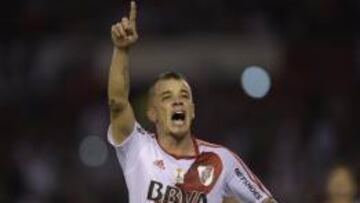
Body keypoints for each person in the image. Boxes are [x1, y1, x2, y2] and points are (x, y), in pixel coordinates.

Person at [107, 1, 277, 202]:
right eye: (167, 97)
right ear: (152, 112)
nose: (178, 102)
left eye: (184, 96)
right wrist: (121, 50)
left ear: (192, 110)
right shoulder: (139, 148)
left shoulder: (221, 160)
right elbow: (117, 103)